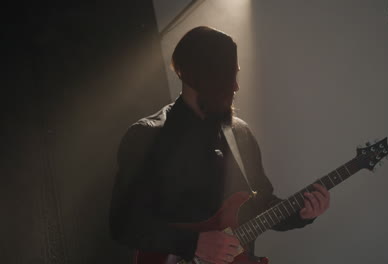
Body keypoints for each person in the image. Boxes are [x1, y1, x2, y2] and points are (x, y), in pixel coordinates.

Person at [109, 26, 330, 264]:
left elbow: (261, 203)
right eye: (226, 76)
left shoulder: (240, 133)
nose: (235, 86)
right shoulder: (147, 135)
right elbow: (124, 224)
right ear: (196, 76)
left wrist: (301, 213)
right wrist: (192, 243)